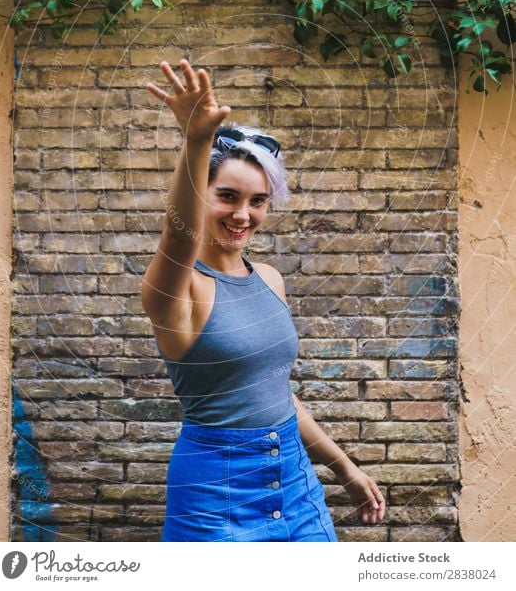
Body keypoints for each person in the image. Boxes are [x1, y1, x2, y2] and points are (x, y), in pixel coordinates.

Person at [141, 58, 385, 542]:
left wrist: (344, 469)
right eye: (227, 196)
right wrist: (196, 142)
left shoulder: (269, 279)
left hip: (296, 480)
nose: (242, 215)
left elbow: (275, 394)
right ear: (201, 194)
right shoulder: (178, 291)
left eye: (258, 201)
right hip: (215, 492)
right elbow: (179, 232)